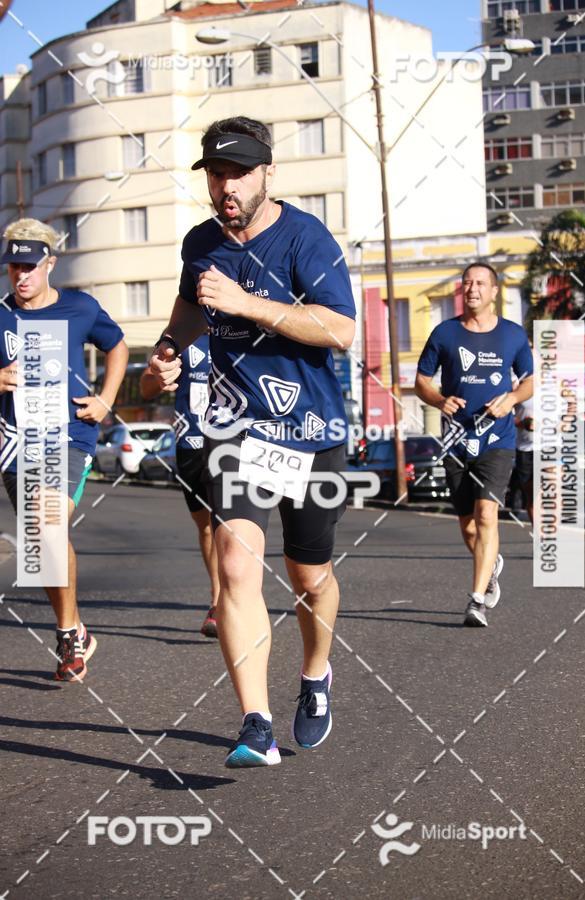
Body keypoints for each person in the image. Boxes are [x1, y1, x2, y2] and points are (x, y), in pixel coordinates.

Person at [149, 116, 355, 767]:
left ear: (268, 172)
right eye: (215, 174)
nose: (225, 186)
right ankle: (256, 724)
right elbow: (188, 307)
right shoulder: (200, 244)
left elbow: (340, 329)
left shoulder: (307, 239)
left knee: (309, 577)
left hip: (311, 433)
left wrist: (246, 303)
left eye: (238, 172)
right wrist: (166, 349)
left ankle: (316, 673)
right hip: (239, 429)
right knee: (236, 565)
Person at [0, 218, 128, 679]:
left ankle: (70, 635)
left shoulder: (80, 308)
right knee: (42, 542)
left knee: (46, 526)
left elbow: (117, 347)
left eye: (31, 266)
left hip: (69, 435)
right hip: (16, 444)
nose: (22, 276)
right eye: (14, 266)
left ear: (50, 263)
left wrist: (107, 399)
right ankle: (72, 629)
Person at [415, 262, 533, 628]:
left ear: (494, 291)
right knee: (468, 525)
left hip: (498, 439)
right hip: (455, 442)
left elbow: (529, 381)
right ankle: (491, 565)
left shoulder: (513, 335)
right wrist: (438, 401)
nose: (472, 289)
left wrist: (511, 399)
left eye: (480, 283)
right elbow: (421, 381)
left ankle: (476, 600)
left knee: (486, 514)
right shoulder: (444, 334)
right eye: (467, 283)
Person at [140, 335, 220, 636]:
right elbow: (146, 387)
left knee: (235, 522)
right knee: (208, 527)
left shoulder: (246, 322)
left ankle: (233, 600)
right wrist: (160, 375)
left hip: (237, 438)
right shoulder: (182, 334)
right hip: (192, 442)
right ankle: (218, 600)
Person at [514, 394, 534, 524]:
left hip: (551, 446)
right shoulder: (519, 386)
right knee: (532, 496)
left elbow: (572, 407)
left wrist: (565, 422)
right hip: (525, 449)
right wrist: (524, 423)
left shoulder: (557, 385)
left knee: (553, 491)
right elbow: (506, 417)